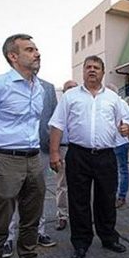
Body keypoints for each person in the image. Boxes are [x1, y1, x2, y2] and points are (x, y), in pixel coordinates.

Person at [0, 34, 60, 258]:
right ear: (13, 56)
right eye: (30, 49)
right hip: (5, 159)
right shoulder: (0, 85)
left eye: (36, 49)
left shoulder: (40, 88)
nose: (37, 53)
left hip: (34, 159)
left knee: (31, 218)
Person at [49, 56, 129, 258]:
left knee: (106, 199)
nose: (92, 70)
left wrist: (126, 129)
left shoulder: (114, 99)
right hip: (78, 155)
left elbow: (127, 127)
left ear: (103, 72)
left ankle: (109, 238)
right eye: (88, 67)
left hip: (106, 156)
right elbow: (57, 125)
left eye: (96, 67)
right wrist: (54, 153)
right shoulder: (70, 97)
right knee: (78, 201)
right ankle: (80, 242)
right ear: (83, 71)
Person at [2, 77, 58, 258]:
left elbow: (54, 120)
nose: (36, 61)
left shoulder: (48, 88)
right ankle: (7, 238)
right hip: (11, 152)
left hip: (39, 150)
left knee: (37, 195)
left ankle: (39, 233)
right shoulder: (4, 85)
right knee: (9, 197)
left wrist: (53, 150)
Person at [54, 79, 78, 230]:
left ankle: (81, 215)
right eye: (68, 88)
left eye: (74, 87)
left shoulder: (84, 107)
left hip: (80, 150)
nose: (71, 90)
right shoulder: (59, 109)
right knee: (62, 184)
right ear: (63, 92)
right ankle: (62, 216)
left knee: (82, 184)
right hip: (63, 149)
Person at [106, 84, 129, 209]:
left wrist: (126, 132)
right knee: (110, 172)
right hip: (107, 144)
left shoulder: (121, 104)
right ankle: (110, 196)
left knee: (122, 170)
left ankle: (121, 196)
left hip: (119, 142)